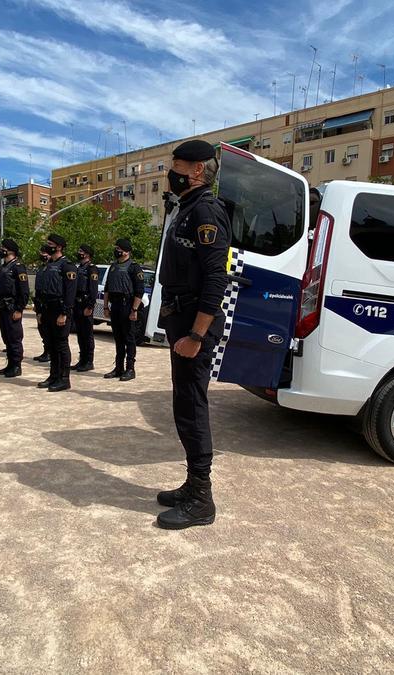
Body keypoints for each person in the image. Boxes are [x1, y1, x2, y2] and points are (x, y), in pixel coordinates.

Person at [153, 140, 230, 530]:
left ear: (197, 169)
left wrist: (197, 336)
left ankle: (202, 499)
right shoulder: (186, 208)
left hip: (194, 327)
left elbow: (217, 278)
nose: (172, 170)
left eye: (176, 164)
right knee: (184, 403)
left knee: (192, 406)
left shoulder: (206, 210)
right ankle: (192, 485)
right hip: (181, 320)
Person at [34, 234, 78, 392]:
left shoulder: (67, 266)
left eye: (50, 244)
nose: (47, 246)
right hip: (46, 309)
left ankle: (64, 378)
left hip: (59, 310)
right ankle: (54, 375)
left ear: (59, 247)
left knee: (61, 344)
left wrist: (64, 313)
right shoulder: (47, 265)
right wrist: (39, 311)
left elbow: (70, 293)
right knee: (51, 344)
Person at [103, 238, 145, 382]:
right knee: (118, 338)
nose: (116, 250)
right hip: (115, 306)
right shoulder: (113, 266)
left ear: (126, 251)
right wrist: (105, 306)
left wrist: (134, 310)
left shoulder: (134, 267)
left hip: (128, 306)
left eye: (119, 248)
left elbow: (140, 291)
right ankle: (118, 368)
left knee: (129, 338)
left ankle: (130, 369)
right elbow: (107, 288)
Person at [0, 238, 29, 378]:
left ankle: (16, 366)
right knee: (6, 337)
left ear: (11, 251)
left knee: (14, 337)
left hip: (13, 306)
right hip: (3, 306)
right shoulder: (4, 266)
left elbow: (24, 290)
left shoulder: (18, 266)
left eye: (3, 247)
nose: (0, 250)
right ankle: (10, 364)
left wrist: (19, 309)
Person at [72, 244, 100, 372]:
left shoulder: (92, 269)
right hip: (77, 304)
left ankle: (89, 361)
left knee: (87, 334)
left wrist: (90, 306)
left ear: (87, 254)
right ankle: (82, 359)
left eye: (81, 251)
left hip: (85, 304)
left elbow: (93, 290)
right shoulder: (79, 268)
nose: (79, 253)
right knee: (80, 334)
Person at [32, 246, 53, 363]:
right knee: (41, 327)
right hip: (40, 301)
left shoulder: (52, 268)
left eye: (44, 252)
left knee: (47, 328)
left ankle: (49, 351)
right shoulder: (42, 268)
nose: (42, 254)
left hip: (47, 301)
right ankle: (46, 350)